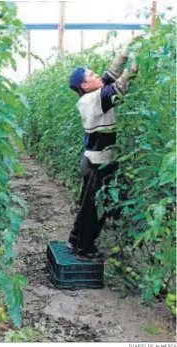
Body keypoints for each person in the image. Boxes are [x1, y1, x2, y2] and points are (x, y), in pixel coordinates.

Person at [67, 38, 139, 262]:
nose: (97, 76)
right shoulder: (92, 100)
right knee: (95, 208)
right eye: (91, 76)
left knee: (88, 204)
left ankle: (74, 240)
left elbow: (109, 77)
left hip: (94, 160)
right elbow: (117, 87)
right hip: (98, 163)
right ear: (85, 86)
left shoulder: (92, 94)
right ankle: (85, 249)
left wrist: (124, 55)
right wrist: (133, 70)